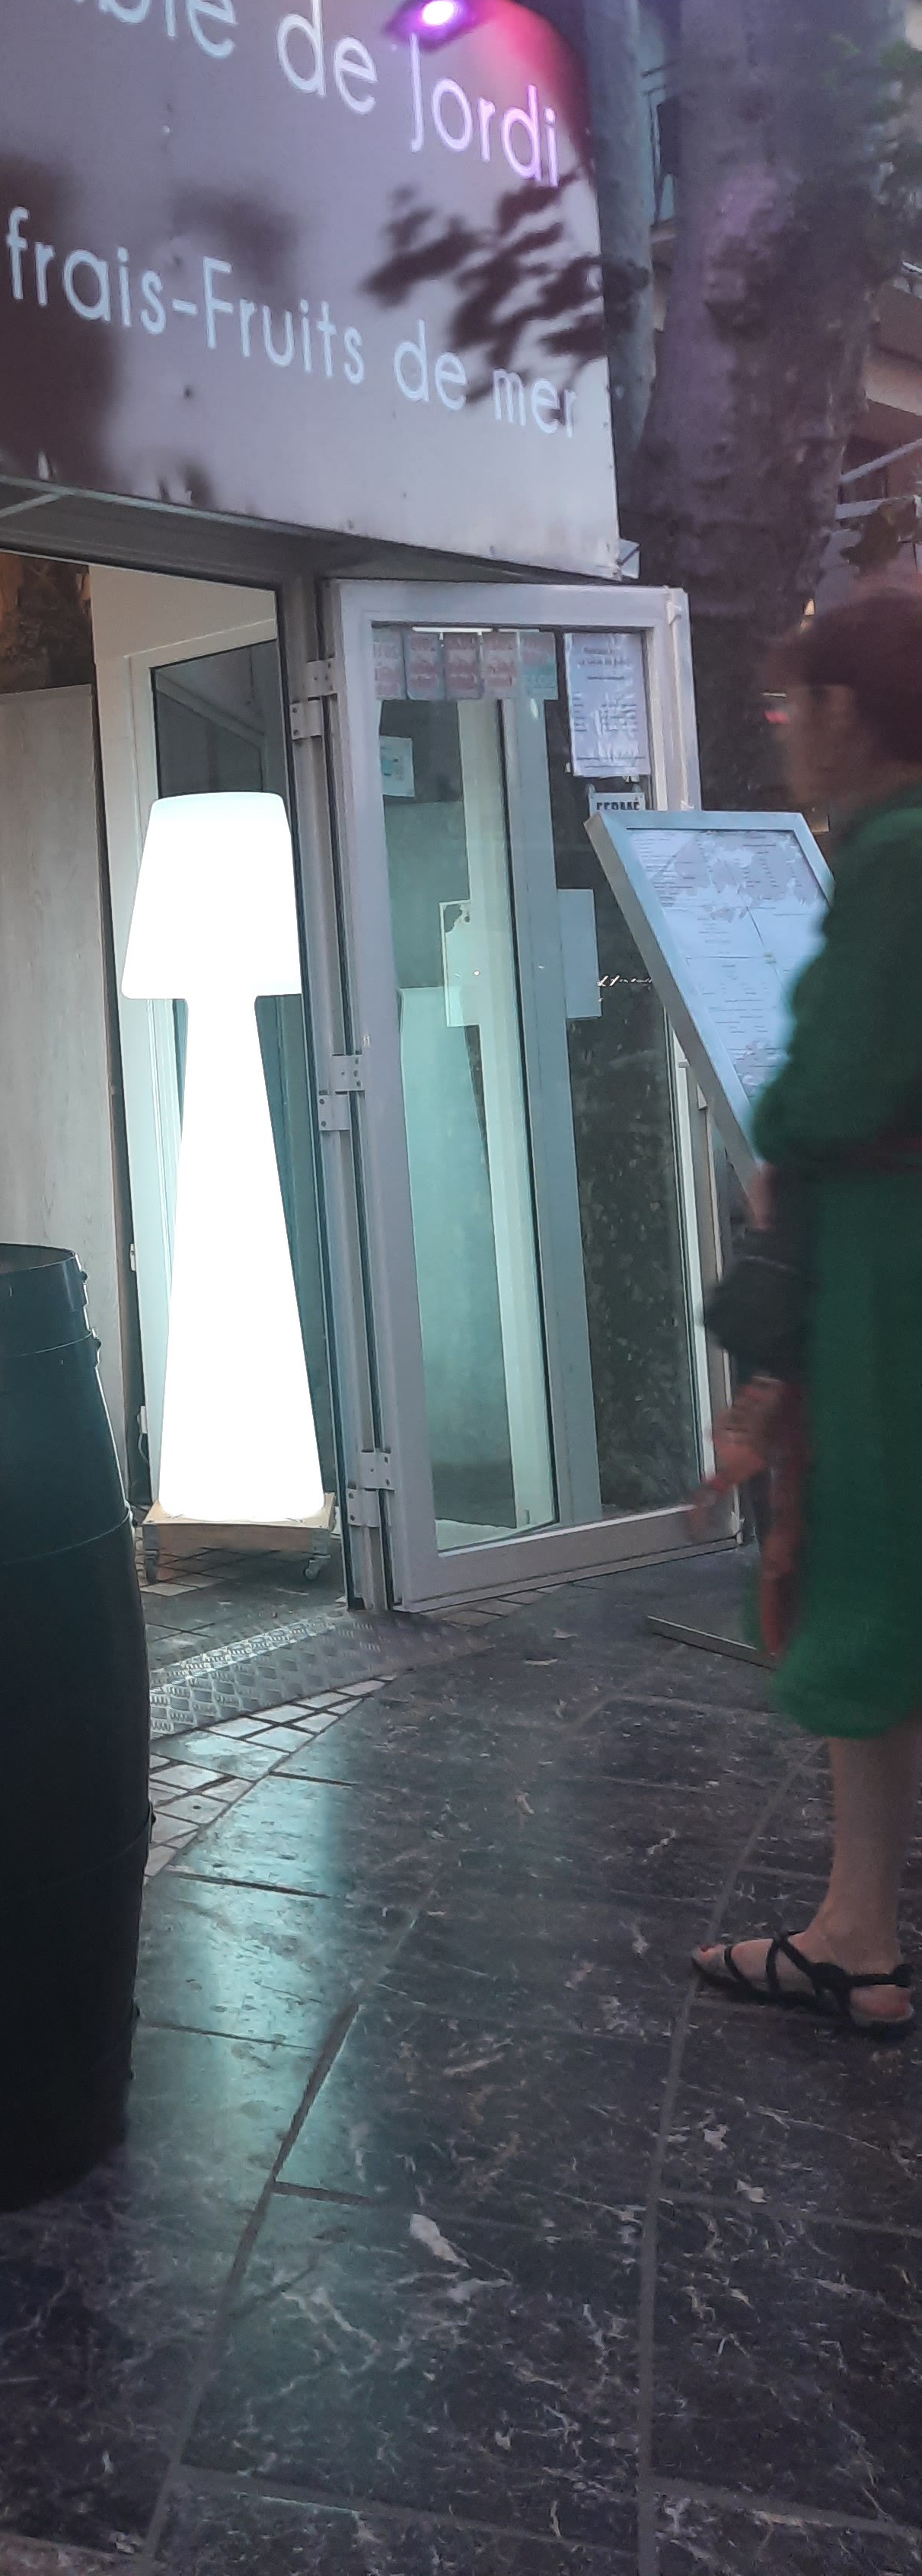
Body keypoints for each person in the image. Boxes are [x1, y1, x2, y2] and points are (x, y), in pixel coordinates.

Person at [694, 582, 922, 2041]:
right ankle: (858, 1927)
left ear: (848, 711)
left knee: (866, 1549)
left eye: (793, 705)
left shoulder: (895, 857)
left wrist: (781, 1126)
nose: (784, 732)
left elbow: (830, 1083)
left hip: (891, 1268)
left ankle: (857, 1931)